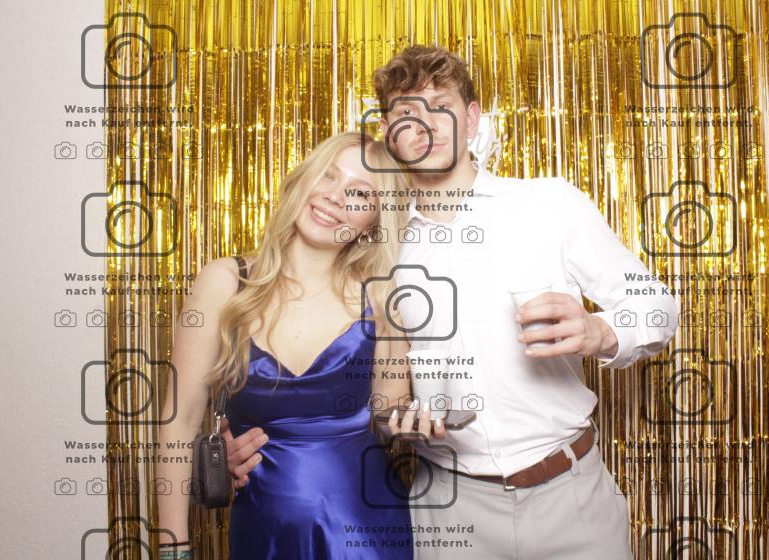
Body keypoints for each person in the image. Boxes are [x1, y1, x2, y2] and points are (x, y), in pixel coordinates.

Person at [228, 46, 679, 559]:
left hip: (570, 494)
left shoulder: (549, 205)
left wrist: (602, 331)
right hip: (449, 507)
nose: (425, 124)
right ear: (389, 133)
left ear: (472, 117)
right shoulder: (375, 248)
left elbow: (656, 304)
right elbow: (311, 349)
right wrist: (241, 433)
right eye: (406, 113)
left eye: (440, 105)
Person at [156, 132, 416, 560]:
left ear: (373, 220)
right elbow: (179, 420)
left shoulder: (381, 297)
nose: (335, 196)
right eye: (328, 176)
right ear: (303, 179)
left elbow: (390, 412)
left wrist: (424, 419)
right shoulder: (224, 282)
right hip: (263, 532)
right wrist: (173, 548)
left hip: (368, 532)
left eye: (359, 193)